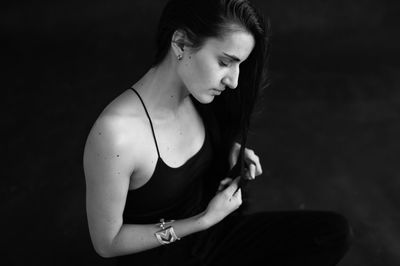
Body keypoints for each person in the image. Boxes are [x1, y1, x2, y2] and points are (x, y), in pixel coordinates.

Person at [83, 0, 352, 265]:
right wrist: (201, 221)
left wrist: (226, 152)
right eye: (225, 62)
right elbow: (108, 244)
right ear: (181, 43)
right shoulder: (116, 135)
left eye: (239, 66)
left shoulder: (200, 97)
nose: (234, 81)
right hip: (163, 257)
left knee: (331, 233)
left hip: (214, 240)